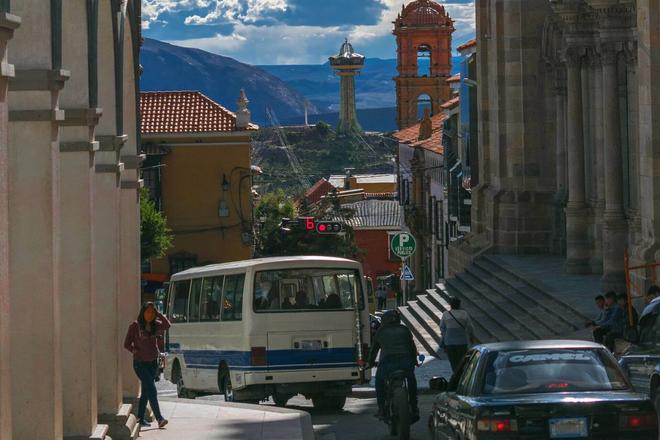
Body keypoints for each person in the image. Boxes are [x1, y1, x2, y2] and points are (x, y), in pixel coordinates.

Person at [124, 302, 170, 428]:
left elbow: (167, 325)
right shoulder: (135, 326)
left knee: (145, 390)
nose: (150, 315)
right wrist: (134, 350)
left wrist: (159, 314)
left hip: (152, 362)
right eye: (148, 312)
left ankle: (140, 417)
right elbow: (127, 343)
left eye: (152, 312)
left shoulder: (156, 325)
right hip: (140, 363)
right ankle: (159, 418)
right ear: (143, 312)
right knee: (151, 388)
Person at [367, 310, 419, 423]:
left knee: (379, 381)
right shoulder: (405, 330)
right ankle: (414, 406)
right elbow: (412, 347)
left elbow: (373, 351)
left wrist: (370, 363)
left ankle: (381, 408)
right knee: (411, 380)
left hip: (388, 362)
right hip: (406, 361)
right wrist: (414, 361)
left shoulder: (381, 331)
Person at [439, 297, 475, 372]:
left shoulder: (446, 314)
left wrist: (445, 336)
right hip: (462, 341)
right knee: (462, 360)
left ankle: (455, 374)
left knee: (453, 361)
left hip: (449, 342)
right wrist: (471, 336)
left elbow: (442, 327)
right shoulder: (464, 314)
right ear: (459, 304)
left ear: (451, 305)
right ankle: (461, 375)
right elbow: (470, 327)